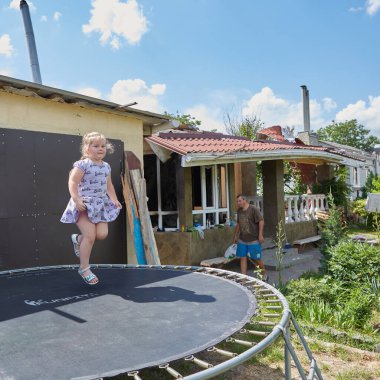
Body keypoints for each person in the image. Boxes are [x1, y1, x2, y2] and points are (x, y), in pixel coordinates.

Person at [61, 132, 122, 285]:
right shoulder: (82, 165)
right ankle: (84, 268)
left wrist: (114, 199)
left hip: (100, 205)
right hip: (85, 205)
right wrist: (76, 199)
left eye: (103, 146)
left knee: (101, 234)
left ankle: (78, 239)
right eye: (96, 146)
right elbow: (72, 182)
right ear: (87, 149)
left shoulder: (106, 166)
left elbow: (109, 186)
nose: (100, 149)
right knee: (90, 236)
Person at [233, 194, 268, 281]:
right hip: (242, 239)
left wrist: (260, 235)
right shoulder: (239, 211)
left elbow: (261, 221)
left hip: (254, 239)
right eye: (237, 201)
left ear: (245, 200)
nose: (238, 203)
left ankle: (264, 274)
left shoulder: (253, 209)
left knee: (257, 259)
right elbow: (238, 223)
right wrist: (236, 235)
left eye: (239, 201)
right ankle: (243, 278)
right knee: (243, 257)